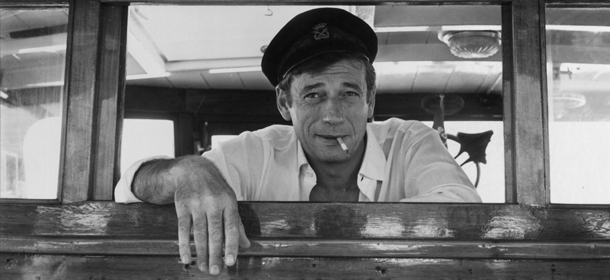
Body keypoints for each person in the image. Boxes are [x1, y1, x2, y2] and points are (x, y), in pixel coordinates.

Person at [115, 7, 481, 275]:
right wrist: (186, 172)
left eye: (349, 94)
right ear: (284, 103)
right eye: (313, 95)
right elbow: (127, 189)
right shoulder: (256, 152)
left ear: (370, 100)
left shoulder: (410, 141)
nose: (333, 115)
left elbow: (463, 208)